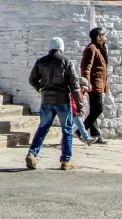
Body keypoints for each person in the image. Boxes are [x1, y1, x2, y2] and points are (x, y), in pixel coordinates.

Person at [24, 37, 82, 170]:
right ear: (62, 47)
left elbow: (32, 80)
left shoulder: (40, 61)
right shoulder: (67, 62)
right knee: (67, 130)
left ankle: (32, 153)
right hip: (62, 100)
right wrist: (80, 105)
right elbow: (75, 86)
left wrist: (41, 90)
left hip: (46, 100)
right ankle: (66, 160)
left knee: (43, 128)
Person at [79, 27, 109, 143]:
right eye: (103, 34)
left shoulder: (100, 48)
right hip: (94, 84)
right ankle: (80, 131)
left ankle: (95, 135)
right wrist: (87, 82)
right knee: (98, 109)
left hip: (99, 83)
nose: (105, 36)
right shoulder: (91, 49)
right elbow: (85, 67)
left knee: (94, 110)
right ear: (98, 37)